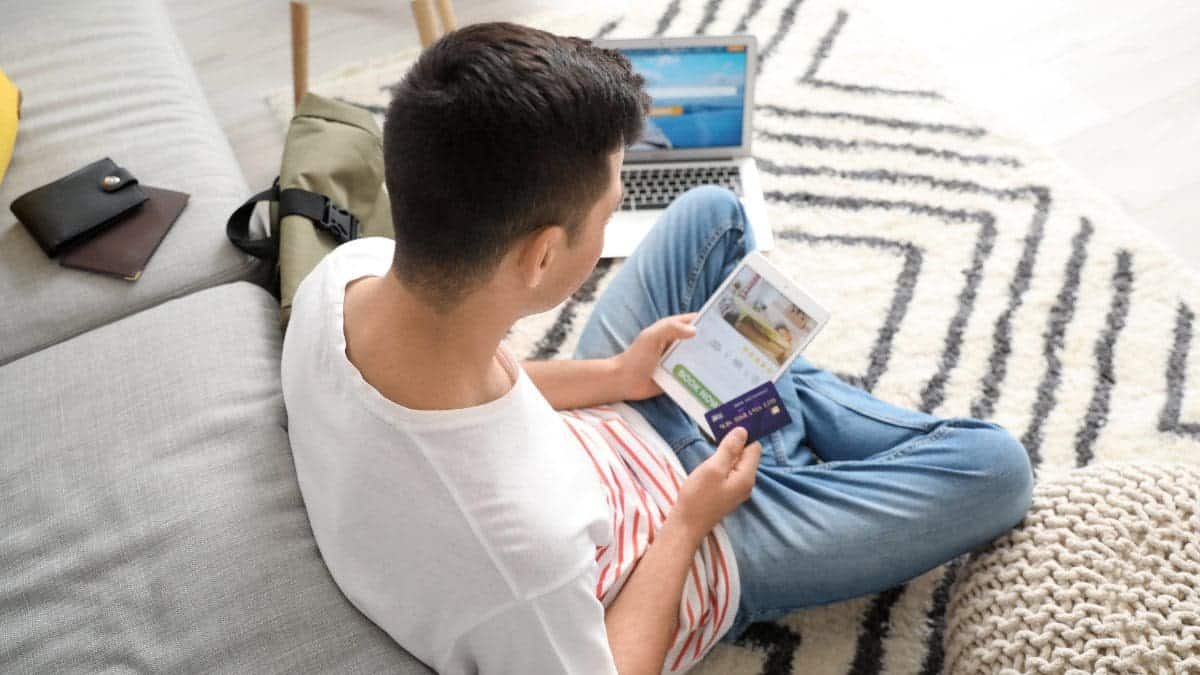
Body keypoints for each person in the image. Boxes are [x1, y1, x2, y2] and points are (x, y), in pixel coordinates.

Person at [279, 22, 1034, 675]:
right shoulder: (517, 555)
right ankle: (777, 410)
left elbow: (483, 385)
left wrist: (619, 373)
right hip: (703, 535)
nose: (610, 226)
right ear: (541, 258)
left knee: (711, 214)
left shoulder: (343, 281)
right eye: (608, 210)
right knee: (996, 468)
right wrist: (689, 519)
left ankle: (763, 400)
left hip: (615, 413)